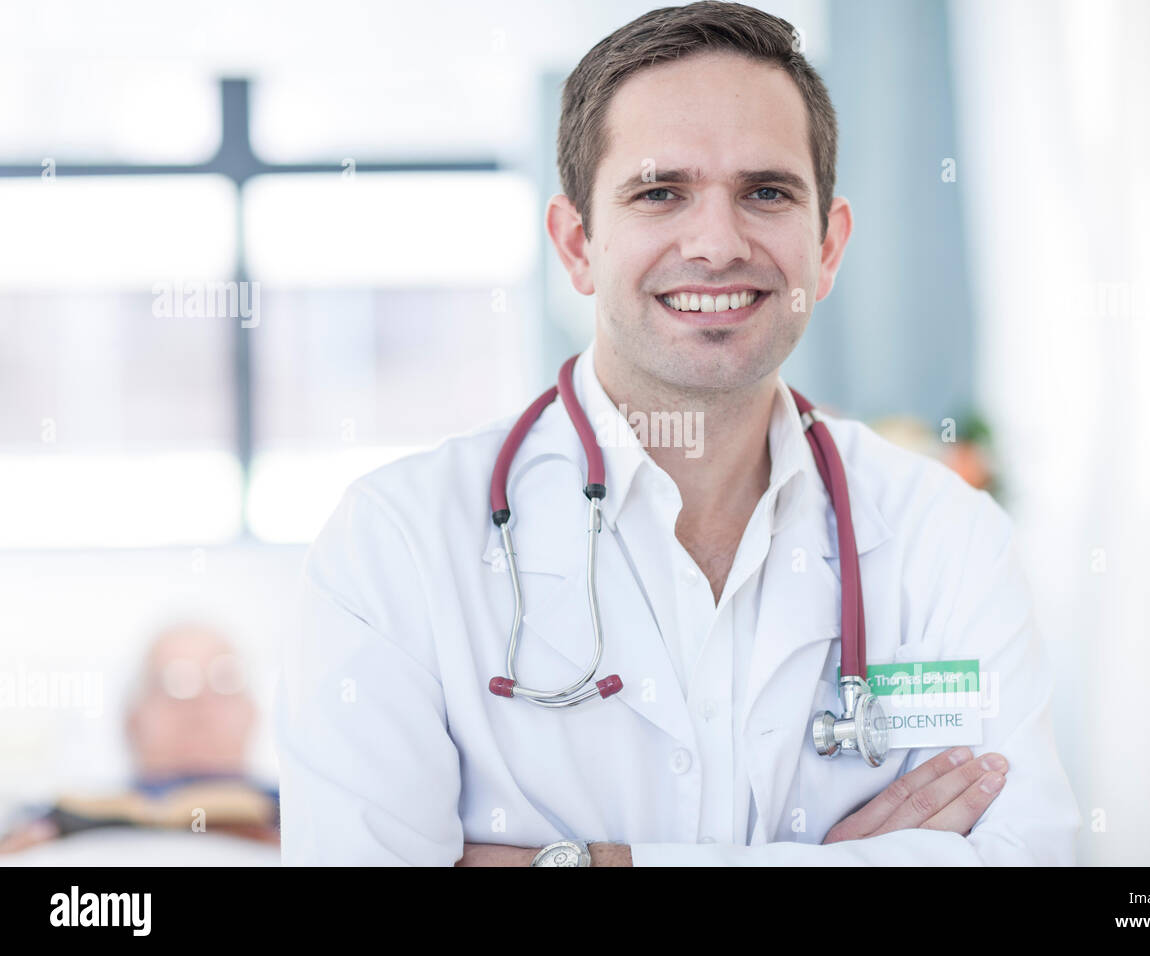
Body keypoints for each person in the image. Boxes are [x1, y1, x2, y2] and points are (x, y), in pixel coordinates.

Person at [275, 0, 1080, 866]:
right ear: (577, 244)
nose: (716, 243)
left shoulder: (944, 536)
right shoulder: (395, 544)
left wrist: (595, 863)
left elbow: (1029, 857)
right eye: (662, 193)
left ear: (830, 243)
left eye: (766, 193)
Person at [0, 622, 278, 854]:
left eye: (224, 683)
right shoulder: (55, 817)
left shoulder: (299, 817)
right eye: (175, 685)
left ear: (253, 712)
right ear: (132, 719)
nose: (200, 709)